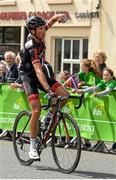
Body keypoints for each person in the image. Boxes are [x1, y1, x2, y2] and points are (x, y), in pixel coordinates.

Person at [19, 14, 69, 160]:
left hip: (39, 74)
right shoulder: (31, 46)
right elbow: (39, 70)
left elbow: (50, 22)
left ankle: (48, 118)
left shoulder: (40, 32)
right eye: (40, 29)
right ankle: (33, 145)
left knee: (64, 96)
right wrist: (48, 90)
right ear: (33, 30)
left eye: (43, 28)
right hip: (28, 76)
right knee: (36, 108)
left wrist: (57, 16)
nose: (43, 30)